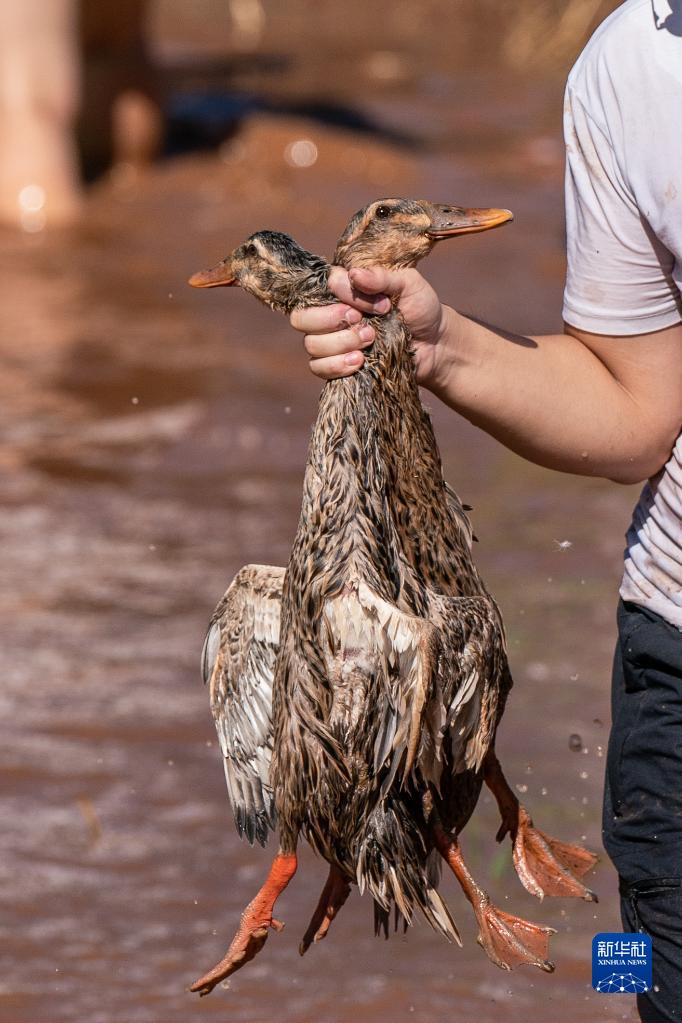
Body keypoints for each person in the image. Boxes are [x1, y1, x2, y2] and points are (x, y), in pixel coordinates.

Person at [289, 2, 682, 1020]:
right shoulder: (630, 64)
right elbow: (638, 412)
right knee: (642, 974)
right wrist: (436, 350)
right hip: (672, 659)